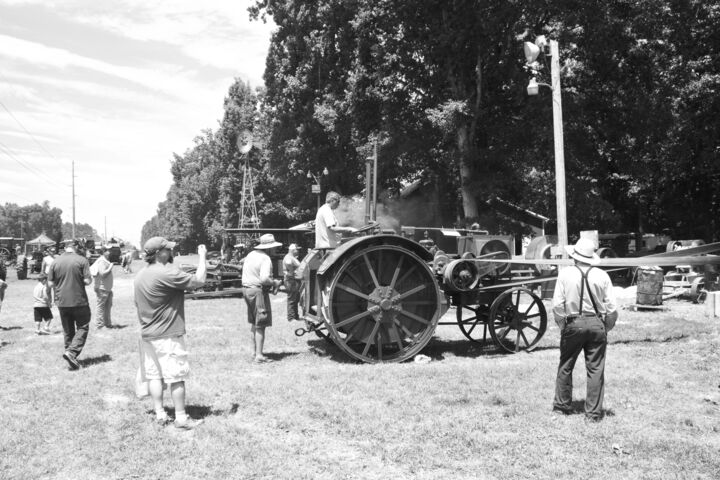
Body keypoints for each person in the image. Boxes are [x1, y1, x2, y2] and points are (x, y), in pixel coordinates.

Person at [133, 237, 207, 429]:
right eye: (168, 250)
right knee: (176, 376)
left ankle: (160, 413)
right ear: (159, 253)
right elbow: (199, 281)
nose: (171, 252)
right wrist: (202, 256)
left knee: (154, 376)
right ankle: (181, 418)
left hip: (148, 333)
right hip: (168, 334)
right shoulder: (166, 272)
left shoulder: (140, 274)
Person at [552, 237, 618, 422]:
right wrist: (605, 327)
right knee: (596, 369)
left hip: (573, 323)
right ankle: (593, 413)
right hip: (596, 323)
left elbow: (557, 306)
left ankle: (562, 406)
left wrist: (563, 326)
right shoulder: (602, 276)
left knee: (566, 365)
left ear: (574, 256)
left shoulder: (565, 274)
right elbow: (612, 309)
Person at [48, 239, 92, 371]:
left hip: (62, 301)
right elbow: (87, 280)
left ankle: (70, 357)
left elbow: (50, 283)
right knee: (83, 326)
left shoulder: (55, 261)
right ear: (76, 248)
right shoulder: (82, 260)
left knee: (68, 330)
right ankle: (72, 353)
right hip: (79, 300)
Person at [242, 233, 282, 363]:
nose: (275, 250)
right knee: (261, 324)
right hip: (257, 291)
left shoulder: (250, 255)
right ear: (269, 247)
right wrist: (275, 283)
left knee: (254, 323)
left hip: (247, 290)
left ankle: (254, 352)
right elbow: (264, 279)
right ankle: (259, 356)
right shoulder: (265, 258)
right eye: (274, 247)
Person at [91, 246, 114, 329]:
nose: (110, 252)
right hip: (102, 289)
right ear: (103, 252)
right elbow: (102, 274)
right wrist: (111, 267)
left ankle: (107, 324)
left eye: (110, 250)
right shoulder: (102, 261)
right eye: (108, 250)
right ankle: (99, 325)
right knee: (101, 307)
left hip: (107, 288)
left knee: (107, 307)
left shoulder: (105, 261)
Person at [282, 243, 301, 321]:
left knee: (295, 298)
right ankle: (291, 317)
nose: (298, 251)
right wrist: (291, 271)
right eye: (297, 249)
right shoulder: (289, 257)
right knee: (292, 299)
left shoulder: (291, 257)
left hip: (292, 280)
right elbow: (288, 263)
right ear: (293, 250)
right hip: (291, 280)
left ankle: (295, 316)